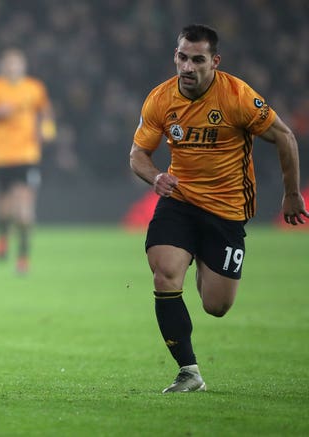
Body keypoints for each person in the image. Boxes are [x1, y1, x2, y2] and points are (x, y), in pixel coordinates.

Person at [129, 24, 308, 393]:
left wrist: (292, 194)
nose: (188, 67)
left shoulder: (237, 96)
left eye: (197, 59)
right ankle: (189, 371)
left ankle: (203, 262)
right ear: (175, 56)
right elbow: (137, 155)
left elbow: (285, 137)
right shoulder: (160, 99)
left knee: (217, 305)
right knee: (164, 274)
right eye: (182, 57)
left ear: (214, 61)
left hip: (226, 210)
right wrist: (156, 177)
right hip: (178, 201)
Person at [0, 48, 55, 274]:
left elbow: (46, 113)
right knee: (4, 211)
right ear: (2, 66)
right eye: (9, 64)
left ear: (23, 66)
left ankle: (23, 258)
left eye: (17, 64)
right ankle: (2, 237)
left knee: (24, 212)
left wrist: (47, 130)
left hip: (27, 156)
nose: (13, 68)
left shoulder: (34, 88)